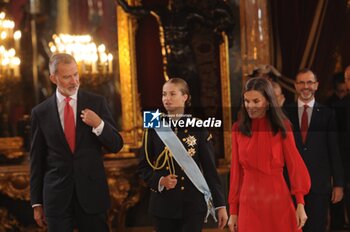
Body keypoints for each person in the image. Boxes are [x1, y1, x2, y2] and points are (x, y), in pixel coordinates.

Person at [30, 53, 124, 231]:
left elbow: (117, 145)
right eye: (67, 77)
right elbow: (36, 160)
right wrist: (36, 203)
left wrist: (99, 124)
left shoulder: (97, 102)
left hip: (92, 195)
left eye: (75, 74)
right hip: (56, 199)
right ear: (53, 78)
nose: (74, 81)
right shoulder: (40, 112)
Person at [138, 78, 228, 232]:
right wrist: (160, 181)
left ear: (185, 97)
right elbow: (143, 167)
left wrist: (220, 205)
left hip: (192, 206)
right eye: (164, 94)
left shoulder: (198, 127)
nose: (167, 98)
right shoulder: (153, 125)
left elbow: (210, 170)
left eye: (172, 94)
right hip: (163, 206)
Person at [228, 77, 310, 232]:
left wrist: (300, 203)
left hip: (278, 200)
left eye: (256, 101)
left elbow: (295, 165)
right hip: (249, 202)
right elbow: (236, 173)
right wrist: (233, 211)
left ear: (267, 101)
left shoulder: (282, 127)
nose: (250, 106)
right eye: (246, 101)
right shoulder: (238, 129)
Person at [284, 68, 344, 232]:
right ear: (296, 86)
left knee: (316, 228)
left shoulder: (328, 114)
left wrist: (338, 184)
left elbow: (334, 150)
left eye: (309, 82)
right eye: (301, 82)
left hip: (319, 186)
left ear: (316, 85)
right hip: (289, 185)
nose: (306, 86)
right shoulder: (283, 113)